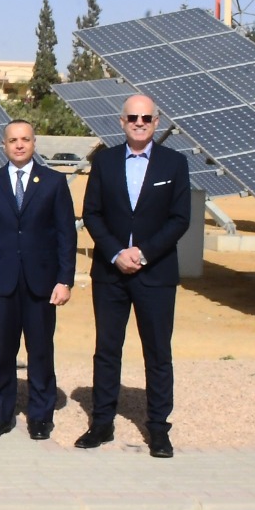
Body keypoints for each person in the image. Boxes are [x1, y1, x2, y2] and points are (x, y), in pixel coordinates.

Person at [77, 94, 191, 458]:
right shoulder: (105, 161)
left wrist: (142, 253)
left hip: (155, 273)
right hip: (110, 273)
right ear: (121, 122)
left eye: (145, 118)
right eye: (132, 118)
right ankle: (101, 422)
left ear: (156, 122)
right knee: (107, 350)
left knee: (157, 352)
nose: (139, 123)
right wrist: (116, 253)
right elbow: (92, 213)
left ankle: (158, 428)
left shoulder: (174, 163)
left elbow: (180, 219)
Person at [0, 120, 76, 441]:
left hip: (41, 283)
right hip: (1, 283)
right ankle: (1, 415)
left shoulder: (54, 182)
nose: (19, 145)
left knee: (40, 351)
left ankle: (40, 417)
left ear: (33, 143)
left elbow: (65, 234)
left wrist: (65, 279)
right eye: (13, 140)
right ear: (3, 145)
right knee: (2, 352)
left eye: (25, 139)